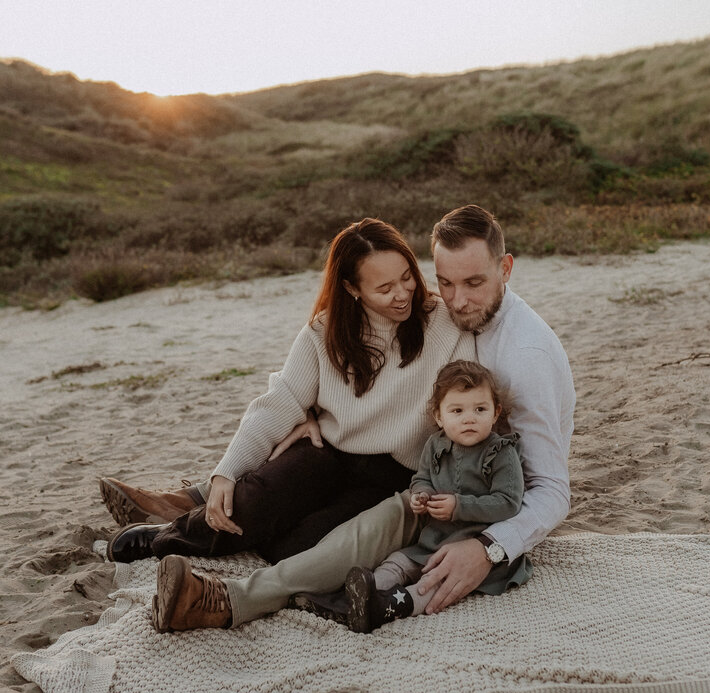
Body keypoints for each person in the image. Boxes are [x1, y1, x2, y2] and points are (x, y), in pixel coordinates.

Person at [150, 204, 576, 633]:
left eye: (474, 282)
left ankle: (229, 599)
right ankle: (186, 520)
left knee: (348, 539)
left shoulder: (524, 358)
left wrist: (488, 548)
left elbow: (552, 489)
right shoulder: (459, 317)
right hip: (434, 479)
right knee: (298, 502)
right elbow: (297, 393)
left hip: (473, 499)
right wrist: (312, 413)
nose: (457, 299)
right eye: (445, 282)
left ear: (506, 268)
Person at [104, 218, 474, 567]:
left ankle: (204, 514)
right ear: (351, 289)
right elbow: (278, 402)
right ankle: (164, 538)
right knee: (258, 498)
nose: (402, 294)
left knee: (296, 548)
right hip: (328, 452)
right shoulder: (324, 332)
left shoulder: (443, 323)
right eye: (383, 288)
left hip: (393, 473)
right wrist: (225, 473)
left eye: (407, 277)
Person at [344, 359, 525, 633]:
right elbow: (422, 478)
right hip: (434, 540)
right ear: (439, 416)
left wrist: (458, 506)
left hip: (476, 547)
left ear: (496, 412)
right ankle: (366, 593)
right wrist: (421, 495)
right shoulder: (436, 445)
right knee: (399, 562)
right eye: (457, 410)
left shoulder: (501, 452)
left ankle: (396, 605)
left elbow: (509, 503)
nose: (469, 418)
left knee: (434, 582)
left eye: (480, 409)